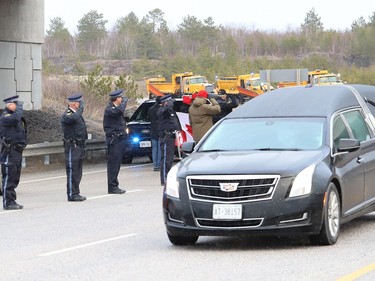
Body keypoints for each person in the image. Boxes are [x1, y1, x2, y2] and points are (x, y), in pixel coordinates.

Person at [0, 95, 27, 210]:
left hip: (16, 151)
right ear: (10, 105)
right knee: (9, 176)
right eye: (16, 105)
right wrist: (20, 107)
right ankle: (7, 202)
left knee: (15, 177)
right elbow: (16, 118)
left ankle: (12, 200)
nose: (18, 107)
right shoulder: (6, 116)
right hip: (9, 151)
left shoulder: (14, 117)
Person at [61, 93, 87, 202]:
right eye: (79, 103)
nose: (80, 105)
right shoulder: (67, 114)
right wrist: (80, 109)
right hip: (72, 146)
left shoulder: (76, 114)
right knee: (73, 171)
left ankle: (76, 192)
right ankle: (72, 194)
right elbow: (74, 118)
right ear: (75, 103)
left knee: (78, 171)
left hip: (79, 146)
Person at [103, 89, 128, 194]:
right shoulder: (110, 109)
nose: (122, 99)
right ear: (117, 98)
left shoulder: (116, 109)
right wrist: (124, 102)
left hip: (119, 139)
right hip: (114, 140)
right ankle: (112, 186)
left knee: (117, 164)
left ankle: (114, 185)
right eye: (120, 98)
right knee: (113, 164)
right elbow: (120, 111)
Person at [157, 95, 181, 186]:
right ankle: (164, 178)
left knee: (170, 158)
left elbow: (175, 122)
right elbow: (163, 111)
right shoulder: (162, 110)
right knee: (166, 158)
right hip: (166, 136)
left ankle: (168, 176)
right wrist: (168, 104)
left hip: (171, 136)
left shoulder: (171, 111)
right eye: (169, 101)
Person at [147, 96, 161, 171]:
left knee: (154, 148)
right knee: (159, 148)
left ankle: (155, 164)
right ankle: (158, 164)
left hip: (153, 130)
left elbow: (149, 118)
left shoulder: (150, 109)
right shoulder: (161, 109)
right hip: (160, 130)